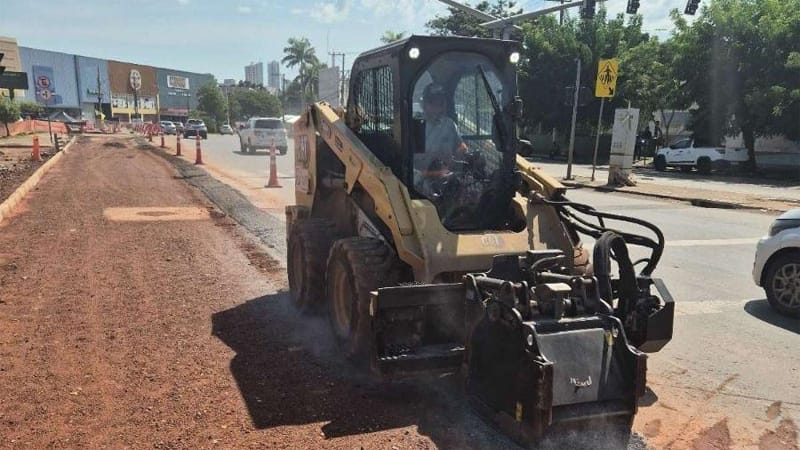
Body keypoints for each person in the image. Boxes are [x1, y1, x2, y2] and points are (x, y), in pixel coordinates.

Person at [414, 83, 467, 183]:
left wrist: (457, 154)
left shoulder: (449, 124)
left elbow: (461, 145)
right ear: (424, 104)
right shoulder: (417, 127)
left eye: (440, 103)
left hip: (449, 179)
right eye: (433, 103)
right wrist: (436, 158)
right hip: (424, 181)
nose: (437, 107)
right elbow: (414, 165)